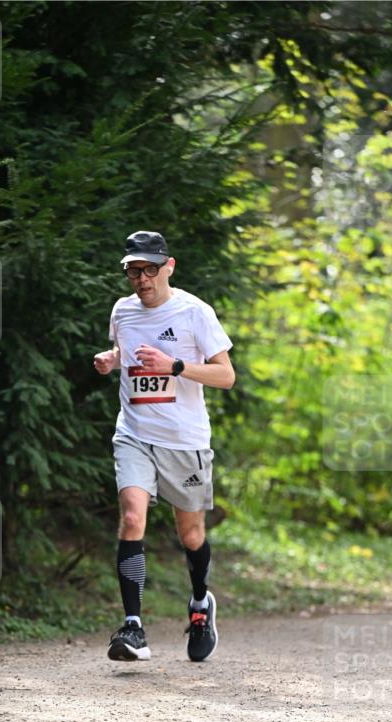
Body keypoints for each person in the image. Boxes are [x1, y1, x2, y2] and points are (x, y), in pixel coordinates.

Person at [93, 230, 234, 663]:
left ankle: (199, 604)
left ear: (168, 266)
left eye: (149, 270)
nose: (141, 279)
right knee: (133, 516)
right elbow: (126, 347)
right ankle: (133, 627)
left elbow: (225, 375)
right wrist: (112, 358)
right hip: (134, 433)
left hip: (184, 440)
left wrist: (175, 366)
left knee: (190, 534)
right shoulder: (123, 311)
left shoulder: (195, 312)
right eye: (133, 271)